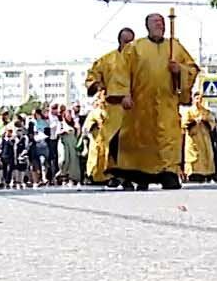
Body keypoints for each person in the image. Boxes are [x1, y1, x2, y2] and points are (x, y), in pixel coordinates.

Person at [112, 13, 200, 190]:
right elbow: (121, 72)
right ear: (148, 26)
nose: (160, 25)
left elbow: (192, 69)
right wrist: (124, 94)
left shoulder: (174, 47)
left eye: (162, 22)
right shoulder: (135, 48)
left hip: (167, 103)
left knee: (169, 139)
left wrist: (179, 70)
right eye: (156, 22)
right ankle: (142, 176)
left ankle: (169, 173)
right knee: (143, 140)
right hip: (141, 105)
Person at [85, 28, 135, 184]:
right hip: (113, 108)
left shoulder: (138, 60)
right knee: (113, 142)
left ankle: (130, 175)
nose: (129, 45)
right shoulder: (107, 60)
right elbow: (92, 75)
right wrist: (95, 84)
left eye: (132, 42)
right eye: (127, 41)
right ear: (120, 41)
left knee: (131, 143)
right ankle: (113, 174)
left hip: (133, 107)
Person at [181, 99, 217, 181]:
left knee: (206, 155)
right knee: (193, 157)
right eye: (196, 99)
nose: (198, 101)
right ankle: (192, 173)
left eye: (200, 99)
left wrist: (204, 121)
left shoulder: (207, 112)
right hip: (193, 138)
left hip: (204, 139)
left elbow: (212, 123)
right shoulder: (189, 111)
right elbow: (184, 123)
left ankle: (206, 173)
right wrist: (194, 122)